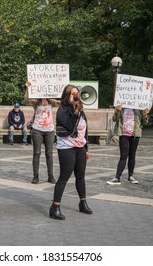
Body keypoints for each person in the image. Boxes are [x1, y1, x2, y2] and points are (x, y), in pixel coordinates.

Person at [49, 84, 92, 220]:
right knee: (64, 176)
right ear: (67, 96)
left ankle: (83, 202)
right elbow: (69, 126)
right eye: (73, 93)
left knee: (81, 176)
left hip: (80, 147)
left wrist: (86, 148)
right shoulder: (62, 110)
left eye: (77, 93)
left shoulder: (79, 109)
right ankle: (55, 207)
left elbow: (84, 130)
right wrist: (76, 112)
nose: (76, 96)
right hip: (66, 147)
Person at [25, 81, 59, 184]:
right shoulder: (36, 102)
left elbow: (64, 102)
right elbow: (26, 101)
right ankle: (35, 176)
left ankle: (51, 176)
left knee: (49, 153)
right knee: (37, 153)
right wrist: (27, 88)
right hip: (37, 129)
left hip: (49, 130)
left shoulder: (51, 102)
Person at [106, 105, 150, 185]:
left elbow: (144, 122)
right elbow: (114, 119)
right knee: (123, 156)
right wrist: (118, 111)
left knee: (132, 155)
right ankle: (117, 177)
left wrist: (145, 114)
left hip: (135, 134)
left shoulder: (138, 108)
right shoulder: (121, 107)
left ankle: (130, 176)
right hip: (123, 134)